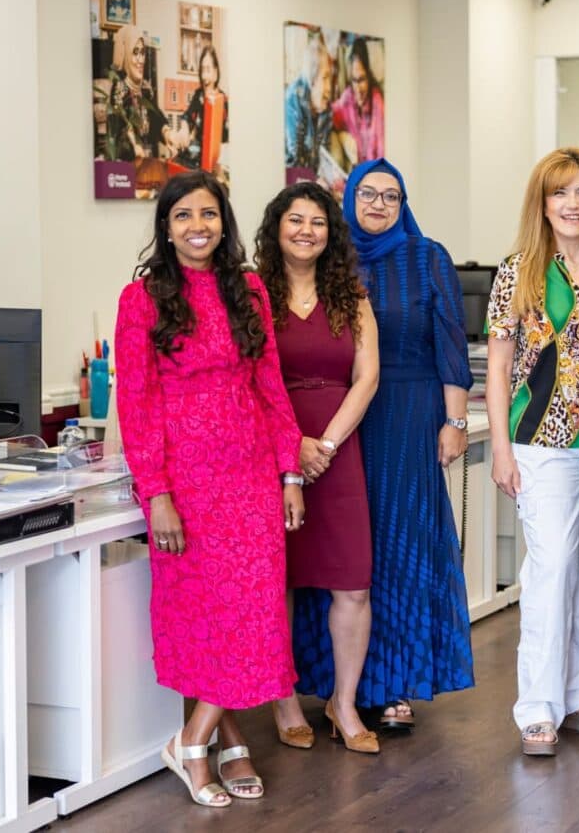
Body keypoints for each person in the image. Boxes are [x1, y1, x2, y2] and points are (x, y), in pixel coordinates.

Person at [115, 171, 304, 806]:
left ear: (224, 223)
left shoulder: (247, 289)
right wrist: (157, 491)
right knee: (203, 615)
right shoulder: (141, 300)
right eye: (183, 217)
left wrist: (289, 471)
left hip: (249, 472)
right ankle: (222, 745)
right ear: (166, 230)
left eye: (210, 214)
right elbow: (136, 404)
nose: (198, 226)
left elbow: (272, 386)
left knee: (253, 610)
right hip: (187, 480)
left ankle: (191, 740)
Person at [486, 147, 579, 757]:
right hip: (540, 440)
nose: (572, 204)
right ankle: (537, 708)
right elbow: (499, 367)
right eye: (560, 193)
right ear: (543, 203)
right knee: (552, 569)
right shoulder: (519, 270)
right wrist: (501, 451)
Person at [338, 157, 474, 728]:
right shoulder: (329, 257)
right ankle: (334, 681)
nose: (377, 205)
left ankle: (393, 683)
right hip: (341, 417)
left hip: (408, 412)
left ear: (403, 204)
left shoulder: (427, 257)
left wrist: (455, 421)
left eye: (390, 196)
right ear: (347, 199)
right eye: (366, 194)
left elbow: (450, 344)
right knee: (343, 552)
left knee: (399, 547)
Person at [254, 181, 380, 755]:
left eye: (318, 222)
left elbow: (367, 377)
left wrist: (322, 447)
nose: (306, 231)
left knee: (351, 584)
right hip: (268, 451)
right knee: (276, 580)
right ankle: (284, 702)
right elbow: (249, 380)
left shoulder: (350, 293)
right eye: (295, 220)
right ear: (276, 228)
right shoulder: (251, 293)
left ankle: (343, 703)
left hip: (339, 448)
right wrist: (291, 449)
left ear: (331, 234)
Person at [104, 24, 174, 162]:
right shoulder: (119, 89)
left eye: (142, 53)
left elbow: (155, 117)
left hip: (146, 165)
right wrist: (133, 147)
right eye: (135, 53)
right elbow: (118, 133)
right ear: (124, 54)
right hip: (126, 168)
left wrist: (167, 133)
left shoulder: (146, 89)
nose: (141, 60)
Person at [174, 45, 229, 176]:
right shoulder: (199, 95)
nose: (204, 76)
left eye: (208, 70)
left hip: (218, 163)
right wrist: (184, 127)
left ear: (215, 73)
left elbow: (229, 139)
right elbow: (187, 116)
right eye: (202, 70)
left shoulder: (224, 101)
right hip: (197, 159)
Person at [284, 32, 335, 172]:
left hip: (312, 182)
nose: (329, 88)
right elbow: (293, 162)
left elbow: (325, 157)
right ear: (312, 79)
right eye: (325, 78)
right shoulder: (293, 100)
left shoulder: (326, 107)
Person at [332, 38, 384, 164]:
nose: (357, 88)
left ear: (368, 77)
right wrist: (343, 136)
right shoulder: (348, 96)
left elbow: (382, 155)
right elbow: (330, 116)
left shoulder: (377, 103)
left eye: (361, 80)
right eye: (354, 80)